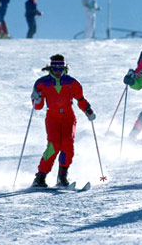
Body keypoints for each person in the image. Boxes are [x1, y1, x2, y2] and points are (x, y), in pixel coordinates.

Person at [31, 54, 96, 188]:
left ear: (65, 68)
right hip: (52, 118)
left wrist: (88, 111)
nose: (58, 71)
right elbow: (38, 107)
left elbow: (80, 99)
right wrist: (36, 99)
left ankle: (62, 177)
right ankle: (40, 177)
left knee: (67, 144)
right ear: (50, 68)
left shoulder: (72, 82)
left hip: (68, 117)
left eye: (61, 68)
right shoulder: (42, 83)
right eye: (55, 68)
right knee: (53, 146)